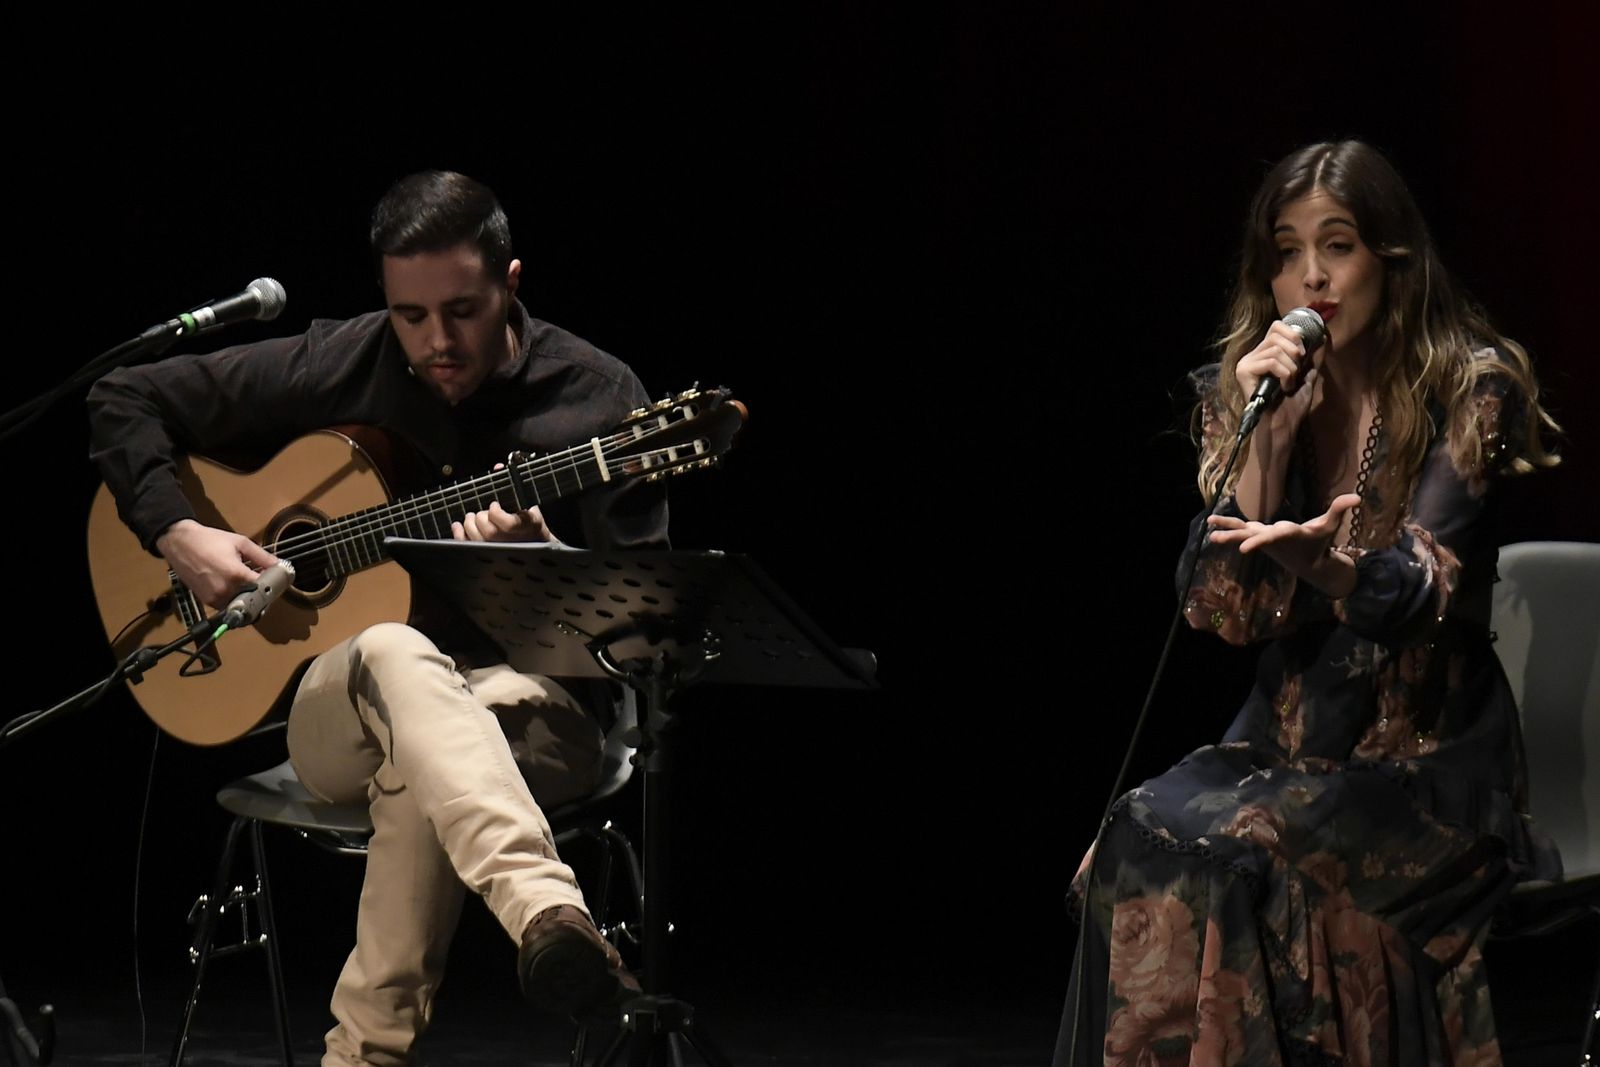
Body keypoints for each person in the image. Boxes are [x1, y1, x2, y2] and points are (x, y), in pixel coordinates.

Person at [87, 170, 668, 1066]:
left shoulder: (598, 399)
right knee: (395, 648)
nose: (437, 341)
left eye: (464, 311)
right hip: (344, 711)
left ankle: (362, 1056)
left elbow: (645, 638)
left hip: (535, 716)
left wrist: (545, 567)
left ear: (513, 284)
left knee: (423, 768)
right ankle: (550, 916)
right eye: (410, 316)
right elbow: (122, 396)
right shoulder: (345, 359)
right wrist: (177, 531)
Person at [1053, 140, 1562, 1066]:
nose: (1311, 275)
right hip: (1288, 745)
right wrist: (1266, 449)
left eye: (1338, 245)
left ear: (1392, 260)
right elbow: (1224, 616)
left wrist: (1332, 571)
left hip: (1429, 759)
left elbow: (1420, 591)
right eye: (1286, 251)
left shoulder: (1467, 388)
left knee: (1257, 846)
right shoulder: (1248, 395)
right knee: (1137, 827)